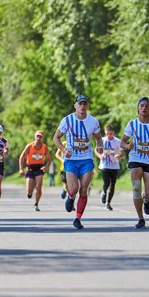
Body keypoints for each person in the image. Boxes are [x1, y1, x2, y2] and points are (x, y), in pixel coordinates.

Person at [53, 94, 103, 230]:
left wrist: (99, 145)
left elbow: (98, 138)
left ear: (87, 106)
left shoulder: (93, 121)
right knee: (74, 188)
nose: (82, 106)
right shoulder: (67, 120)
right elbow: (56, 138)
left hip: (86, 159)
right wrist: (63, 149)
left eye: (84, 104)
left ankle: (78, 218)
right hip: (71, 160)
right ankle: (70, 197)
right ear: (75, 105)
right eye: (80, 103)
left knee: (83, 189)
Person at [120, 97, 149, 229]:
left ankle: (146, 200)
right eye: (141, 105)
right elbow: (122, 142)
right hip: (135, 158)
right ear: (138, 108)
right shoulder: (132, 124)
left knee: (148, 193)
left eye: (147, 106)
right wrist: (127, 146)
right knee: (136, 189)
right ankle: (140, 218)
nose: (144, 108)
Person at [18, 130, 51, 211]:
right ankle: (29, 193)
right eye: (37, 136)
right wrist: (21, 169)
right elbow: (22, 157)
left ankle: (36, 204)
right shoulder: (29, 146)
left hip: (39, 168)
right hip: (30, 168)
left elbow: (49, 159)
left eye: (40, 136)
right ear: (35, 137)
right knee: (29, 189)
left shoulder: (44, 147)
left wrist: (46, 167)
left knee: (39, 186)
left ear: (42, 138)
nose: (38, 138)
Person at [94, 124, 124, 211]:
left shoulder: (117, 141)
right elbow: (96, 150)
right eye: (108, 134)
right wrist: (100, 156)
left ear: (113, 133)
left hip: (114, 166)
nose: (109, 136)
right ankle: (103, 192)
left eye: (111, 134)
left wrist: (119, 156)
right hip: (104, 165)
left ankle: (108, 203)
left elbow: (122, 153)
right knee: (106, 183)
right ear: (105, 132)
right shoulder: (102, 140)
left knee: (112, 185)